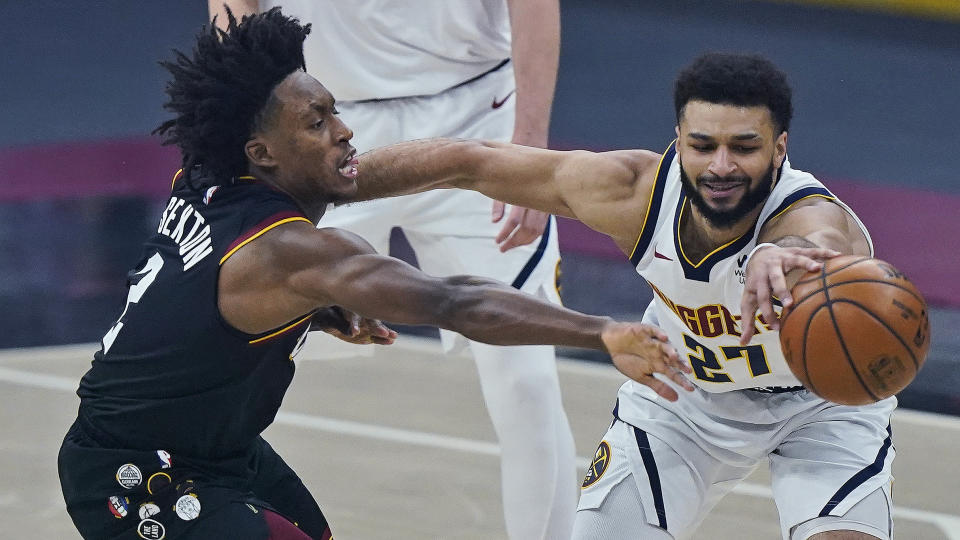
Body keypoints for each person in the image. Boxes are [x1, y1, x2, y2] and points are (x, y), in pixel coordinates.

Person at [56, 10, 690, 540]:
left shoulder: (210, 173)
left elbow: (198, 299)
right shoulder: (292, 253)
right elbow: (454, 302)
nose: (344, 129)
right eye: (318, 123)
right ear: (264, 153)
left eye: (333, 111)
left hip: (219, 449)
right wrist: (602, 331)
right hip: (134, 469)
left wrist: (311, 309)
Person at [352, 53, 897, 540]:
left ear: (780, 148)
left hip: (821, 405)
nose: (721, 166)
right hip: (685, 395)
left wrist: (779, 253)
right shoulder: (633, 194)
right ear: (678, 139)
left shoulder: (813, 219)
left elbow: (818, 237)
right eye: (702, 145)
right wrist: (327, 184)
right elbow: (466, 161)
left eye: (744, 147)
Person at [210, 2, 575, 538]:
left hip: (477, 114)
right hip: (321, 128)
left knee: (527, 377)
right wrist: (227, 129)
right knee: (239, 354)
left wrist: (529, 145)